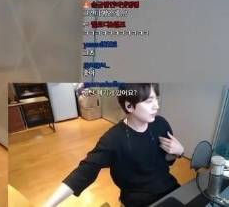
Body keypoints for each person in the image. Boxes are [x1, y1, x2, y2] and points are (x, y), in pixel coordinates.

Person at [44, 83, 183, 207]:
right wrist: (49, 204)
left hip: (170, 190)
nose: (156, 106)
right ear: (129, 106)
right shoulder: (113, 139)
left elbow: (166, 162)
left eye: (156, 99)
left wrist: (178, 152)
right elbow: (85, 172)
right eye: (149, 101)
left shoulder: (161, 124)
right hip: (139, 201)